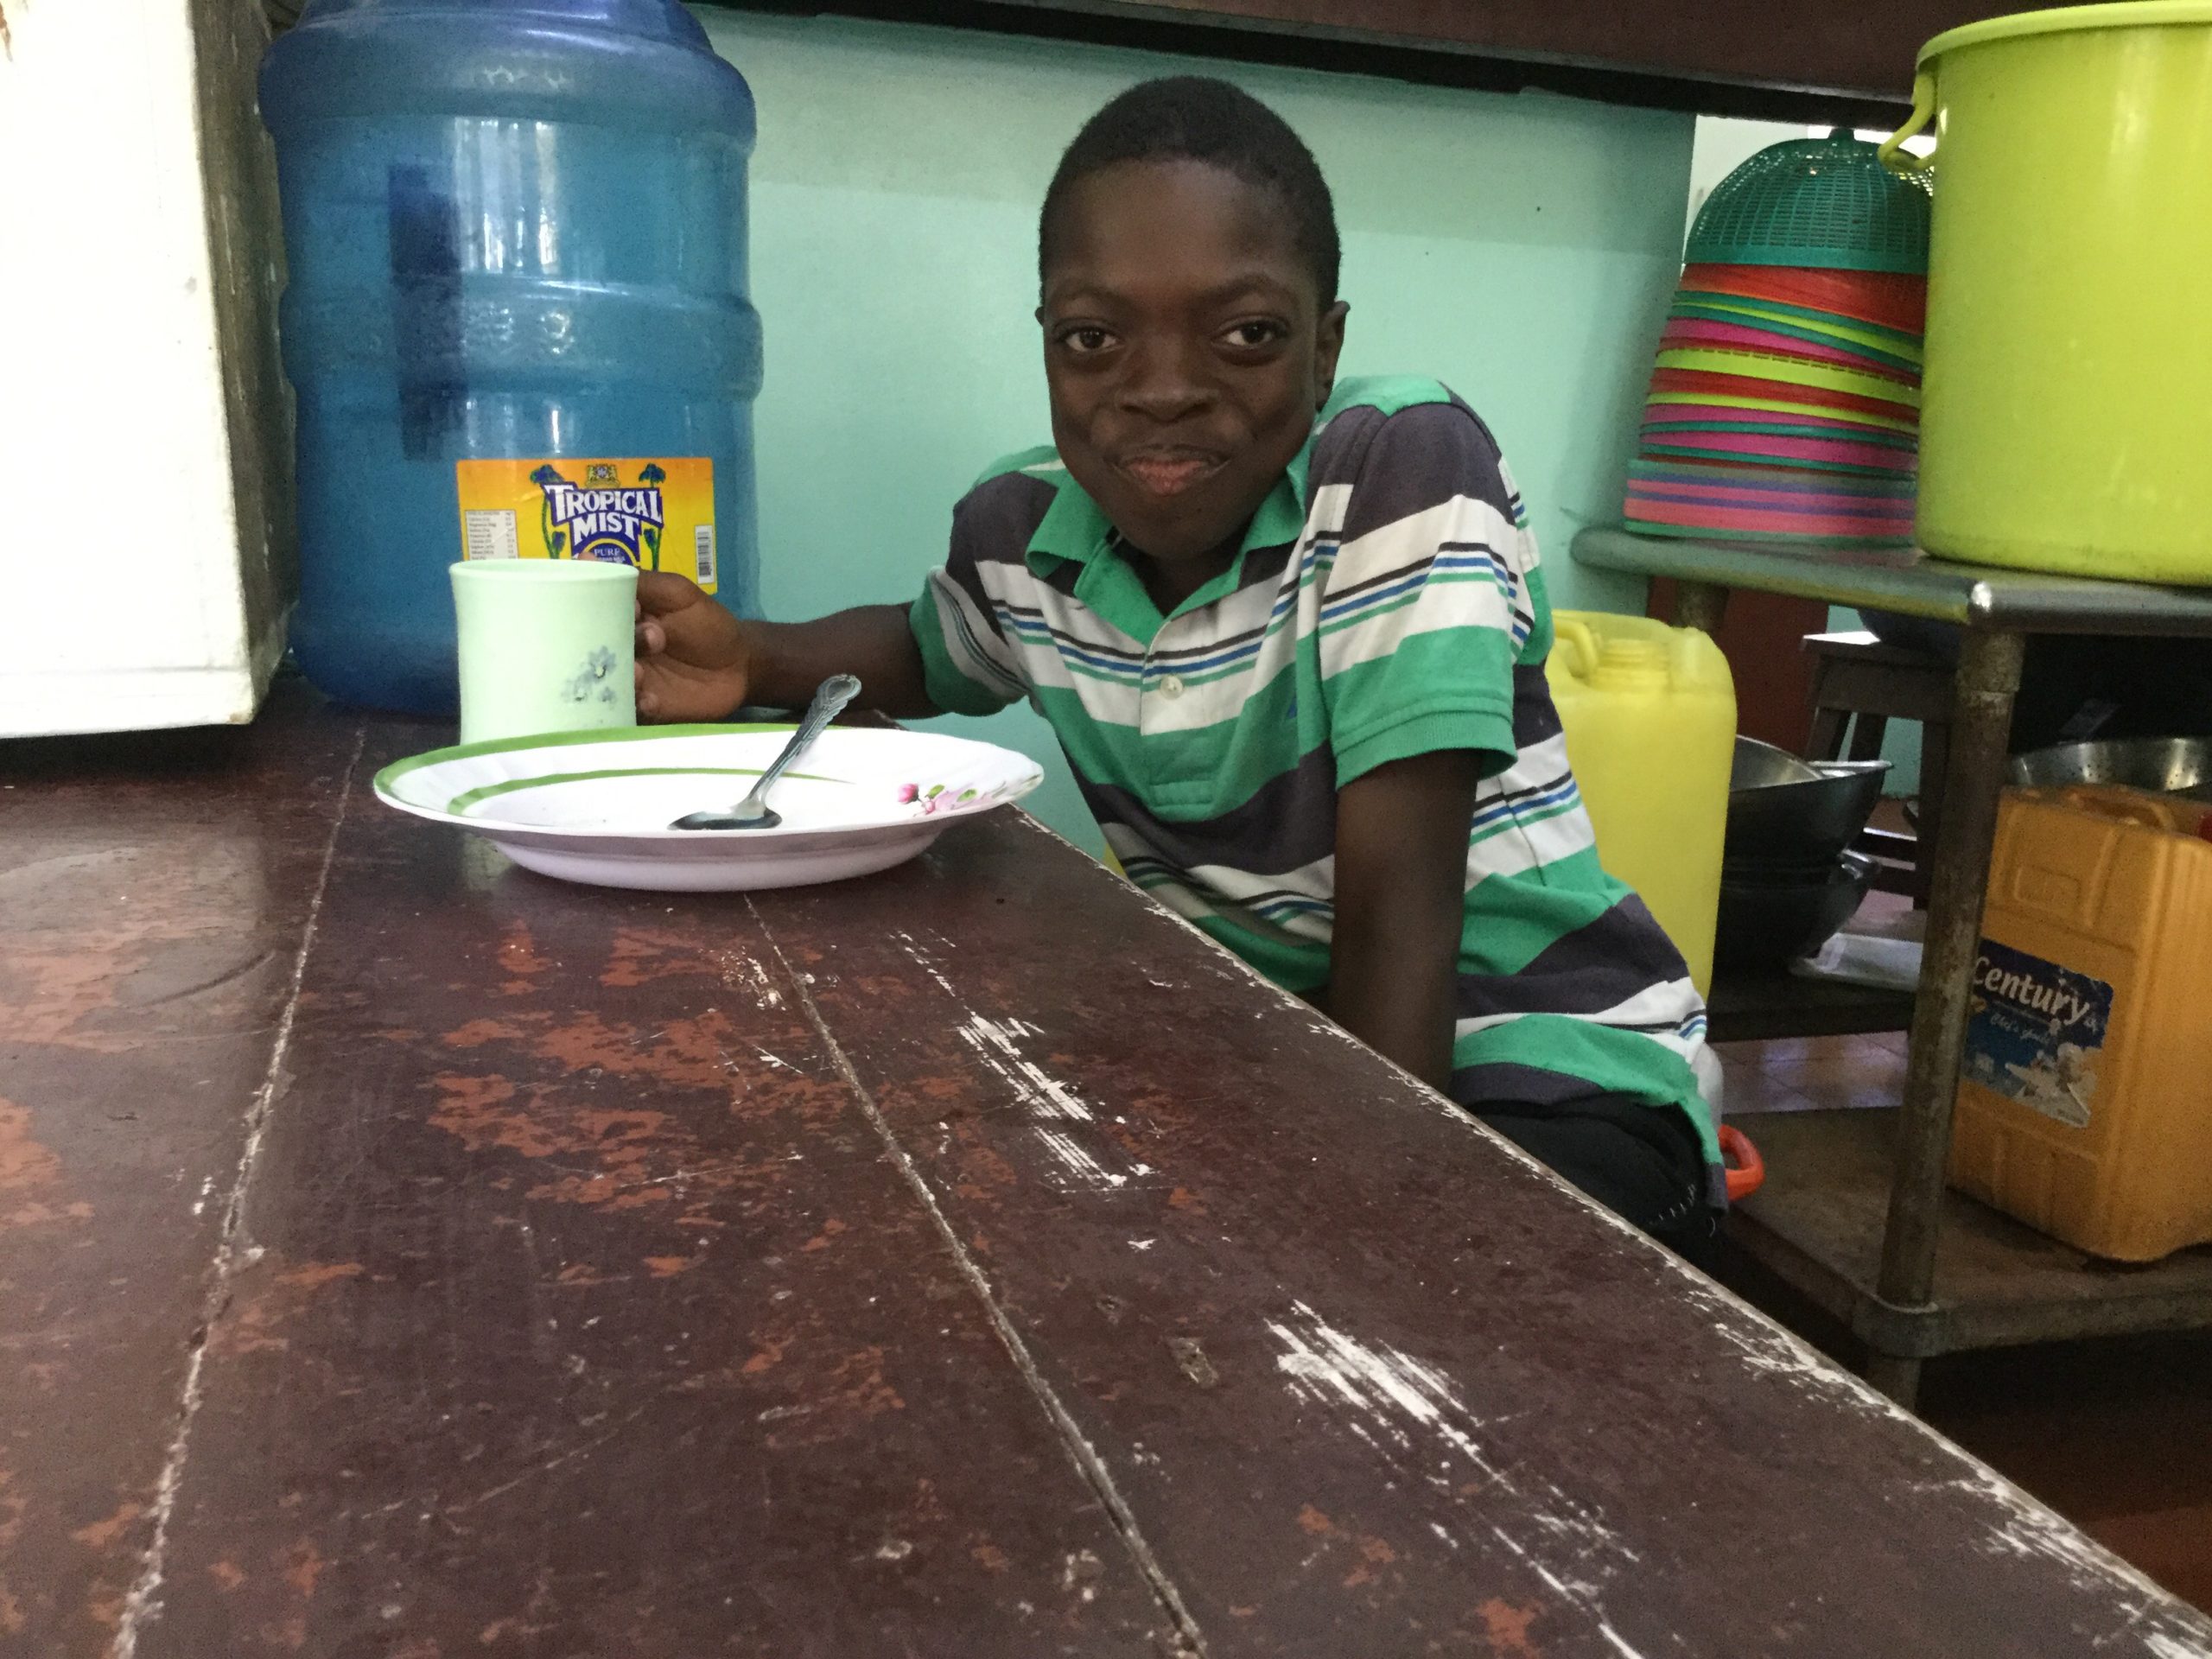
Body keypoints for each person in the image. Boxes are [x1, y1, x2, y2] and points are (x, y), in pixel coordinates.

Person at [633, 76, 1720, 1255]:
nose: (1159, 391)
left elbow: (1397, 925)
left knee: (1459, 1295)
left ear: (1325, 350)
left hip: (1537, 1063)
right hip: (1266, 1052)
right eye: (1092, 339)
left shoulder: (1400, 471)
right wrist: (751, 654)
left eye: (1245, 334)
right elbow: (926, 648)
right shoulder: (1025, 530)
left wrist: (1364, 1240)